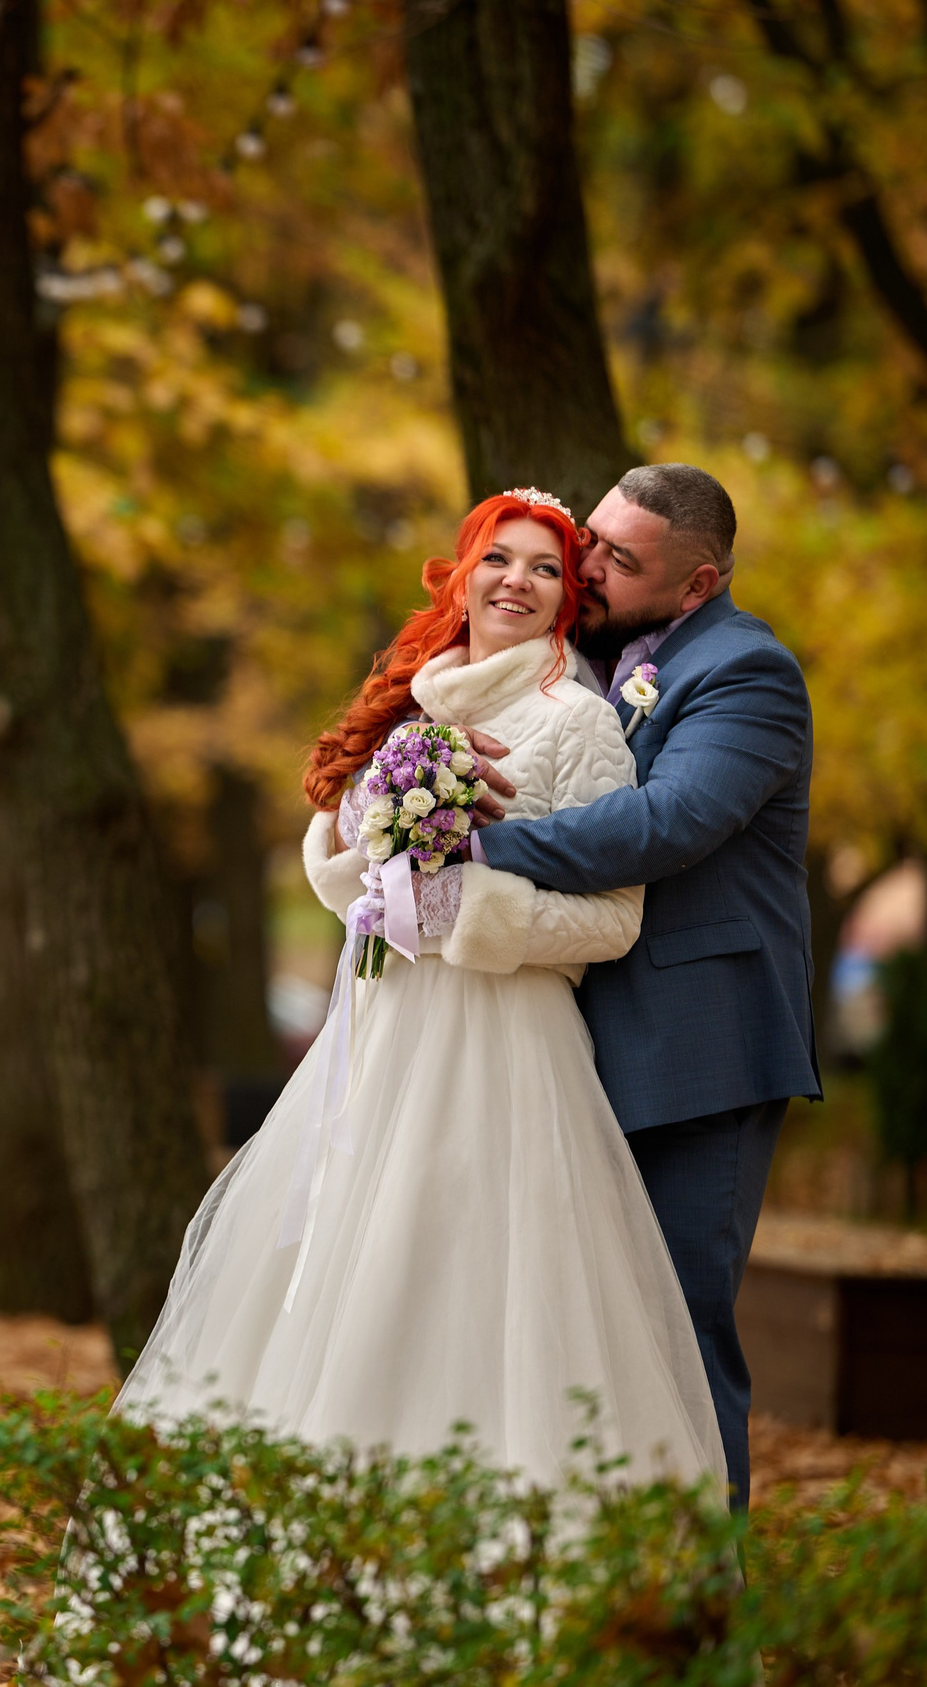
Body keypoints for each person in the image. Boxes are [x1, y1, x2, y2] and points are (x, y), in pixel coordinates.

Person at [116, 488, 725, 1495]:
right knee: (357, 1266)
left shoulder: (577, 724)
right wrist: (367, 856)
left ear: (569, 596)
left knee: (486, 1272)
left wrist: (463, 911)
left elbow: (614, 919)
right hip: (386, 1027)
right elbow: (338, 867)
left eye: (543, 567)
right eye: (499, 559)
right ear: (463, 573)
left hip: (506, 1038)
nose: (517, 582)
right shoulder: (410, 704)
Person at [461, 462, 818, 1509]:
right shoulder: (587, 654)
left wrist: (478, 846)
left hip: (696, 1051)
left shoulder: (747, 674)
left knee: (676, 1325)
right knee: (577, 1334)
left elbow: (668, 823)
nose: (590, 565)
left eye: (620, 558)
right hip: (569, 1046)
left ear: (697, 584)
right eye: (596, 540)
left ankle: (704, 1611)